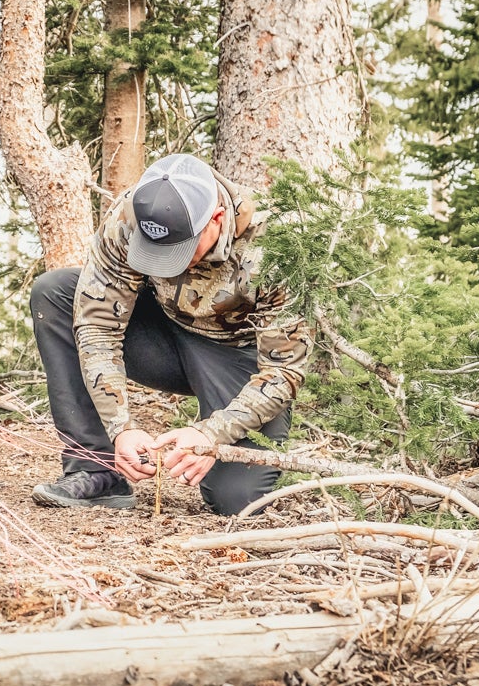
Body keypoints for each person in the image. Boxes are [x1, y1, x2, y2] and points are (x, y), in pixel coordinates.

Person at [29, 153, 310, 514]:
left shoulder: (278, 241)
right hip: (160, 336)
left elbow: (282, 371)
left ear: (217, 219)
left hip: (237, 360)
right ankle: (95, 470)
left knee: (237, 500)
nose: (166, 263)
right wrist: (121, 428)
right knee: (55, 292)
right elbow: (98, 326)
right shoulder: (130, 216)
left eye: (180, 250)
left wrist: (211, 434)